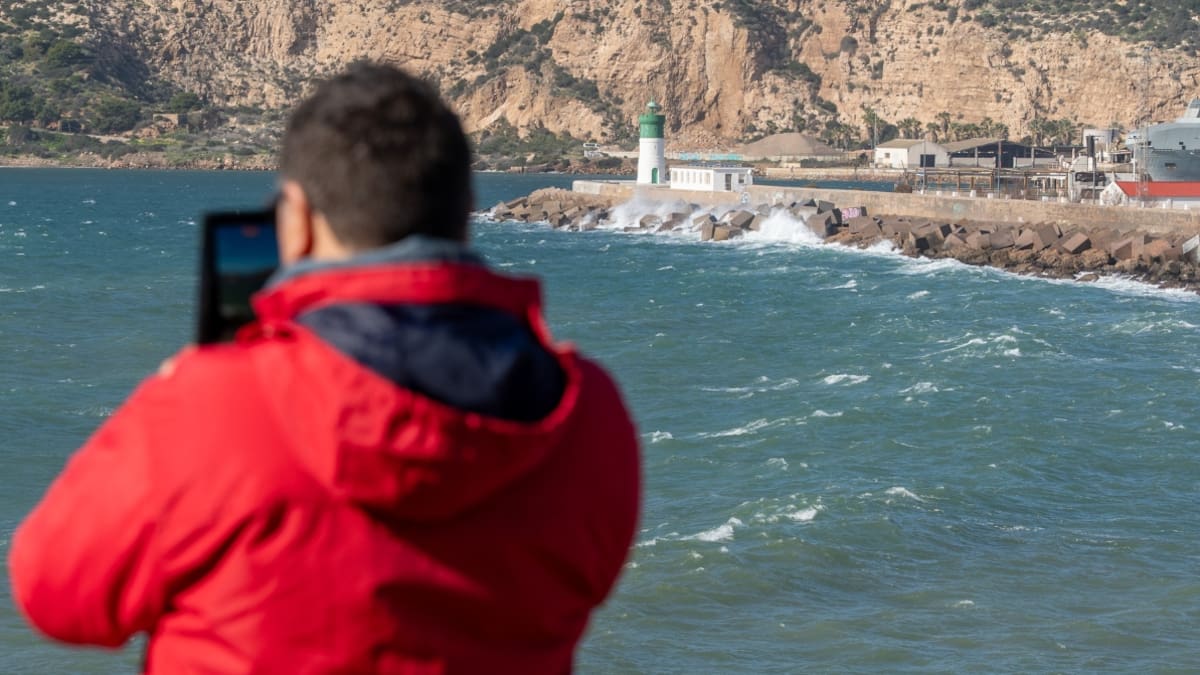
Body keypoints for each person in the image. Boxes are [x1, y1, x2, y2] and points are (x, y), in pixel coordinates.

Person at [9, 63, 641, 673]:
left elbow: (56, 595)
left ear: (298, 219)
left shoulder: (211, 404)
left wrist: (175, 393)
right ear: (467, 207)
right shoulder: (589, 413)